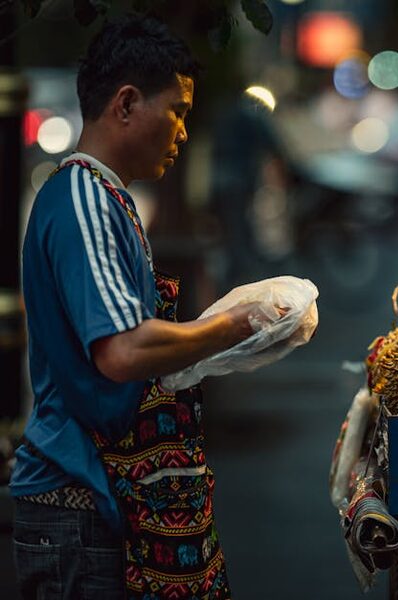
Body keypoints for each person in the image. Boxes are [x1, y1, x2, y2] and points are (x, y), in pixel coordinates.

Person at [10, 16, 271, 599]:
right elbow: (124, 350)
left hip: (98, 504)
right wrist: (234, 326)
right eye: (176, 110)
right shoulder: (82, 200)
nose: (182, 131)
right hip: (75, 505)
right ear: (126, 104)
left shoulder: (108, 199)